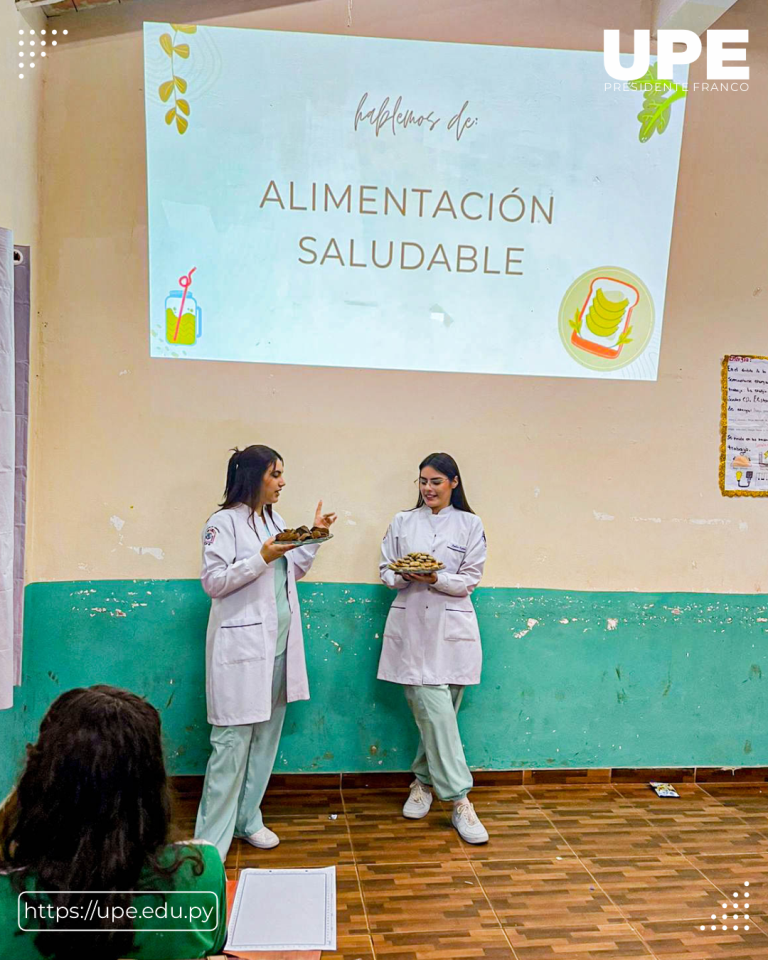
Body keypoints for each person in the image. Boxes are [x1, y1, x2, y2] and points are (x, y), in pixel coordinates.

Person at [0, 685, 227, 960]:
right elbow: (213, 948)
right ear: (154, 785)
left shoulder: (10, 892)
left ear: (40, 778)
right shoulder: (202, 870)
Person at [195, 444, 336, 861]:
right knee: (231, 744)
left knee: (265, 740)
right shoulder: (223, 524)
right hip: (241, 651)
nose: (282, 482)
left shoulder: (272, 519)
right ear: (254, 477)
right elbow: (214, 582)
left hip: (278, 650)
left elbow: (292, 570)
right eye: (275, 474)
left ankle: (247, 819)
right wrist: (260, 557)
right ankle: (209, 846)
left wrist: (313, 536)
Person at [378, 452, 489, 843]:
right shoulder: (402, 522)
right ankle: (460, 800)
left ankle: (422, 783)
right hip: (411, 630)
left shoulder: (470, 524)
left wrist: (434, 577)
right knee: (436, 715)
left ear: (454, 483)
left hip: (452, 632)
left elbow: (468, 580)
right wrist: (404, 576)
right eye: (423, 481)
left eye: (436, 481)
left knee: (438, 720)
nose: (428, 488)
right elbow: (385, 570)